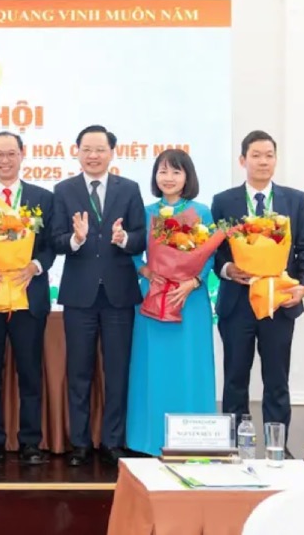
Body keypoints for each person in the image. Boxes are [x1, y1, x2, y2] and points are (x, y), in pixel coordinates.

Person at [212, 130, 304, 435]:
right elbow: (214, 252)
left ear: (276, 159)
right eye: (256, 155)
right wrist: (228, 268)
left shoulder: (294, 200)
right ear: (242, 160)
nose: (263, 161)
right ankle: (234, 444)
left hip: (280, 301)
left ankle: (277, 445)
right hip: (237, 303)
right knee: (234, 377)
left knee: (276, 378)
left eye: (269, 155)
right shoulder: (223, 201)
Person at [51, 125, 146, 467]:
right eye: (87, 149)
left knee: (117, 371)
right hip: (79, 296)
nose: (93, 155)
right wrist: (76, 239)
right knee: (79, 371)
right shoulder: (63, 190)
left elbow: (141, 239)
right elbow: (55, 241)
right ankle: (79, 442)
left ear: (112, 153)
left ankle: (112, 441)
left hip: (119, 294)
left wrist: (123, 239)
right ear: (76, 151)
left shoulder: (130, 189)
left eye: (100, 149)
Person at [0, 132, 54, 465]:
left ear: (23, 155)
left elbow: (50, 246)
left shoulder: (42, 198)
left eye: (10, 154)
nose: (4, 160)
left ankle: (30, 441)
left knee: (30, 371)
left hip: (28, 298)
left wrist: (35, 265)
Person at [126, 149, 217, 456]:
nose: (168, 178)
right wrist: (146, 271)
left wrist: (192, 282)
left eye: (176, 172)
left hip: (190, 302)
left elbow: (211, 255)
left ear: (187, 177)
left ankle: (195, 439)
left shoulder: (201, 212)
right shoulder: (145, 211)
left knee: (191, 366)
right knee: (151, 368)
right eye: (162, 171)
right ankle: (148, 440)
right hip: (152, 298)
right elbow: (132, 252)